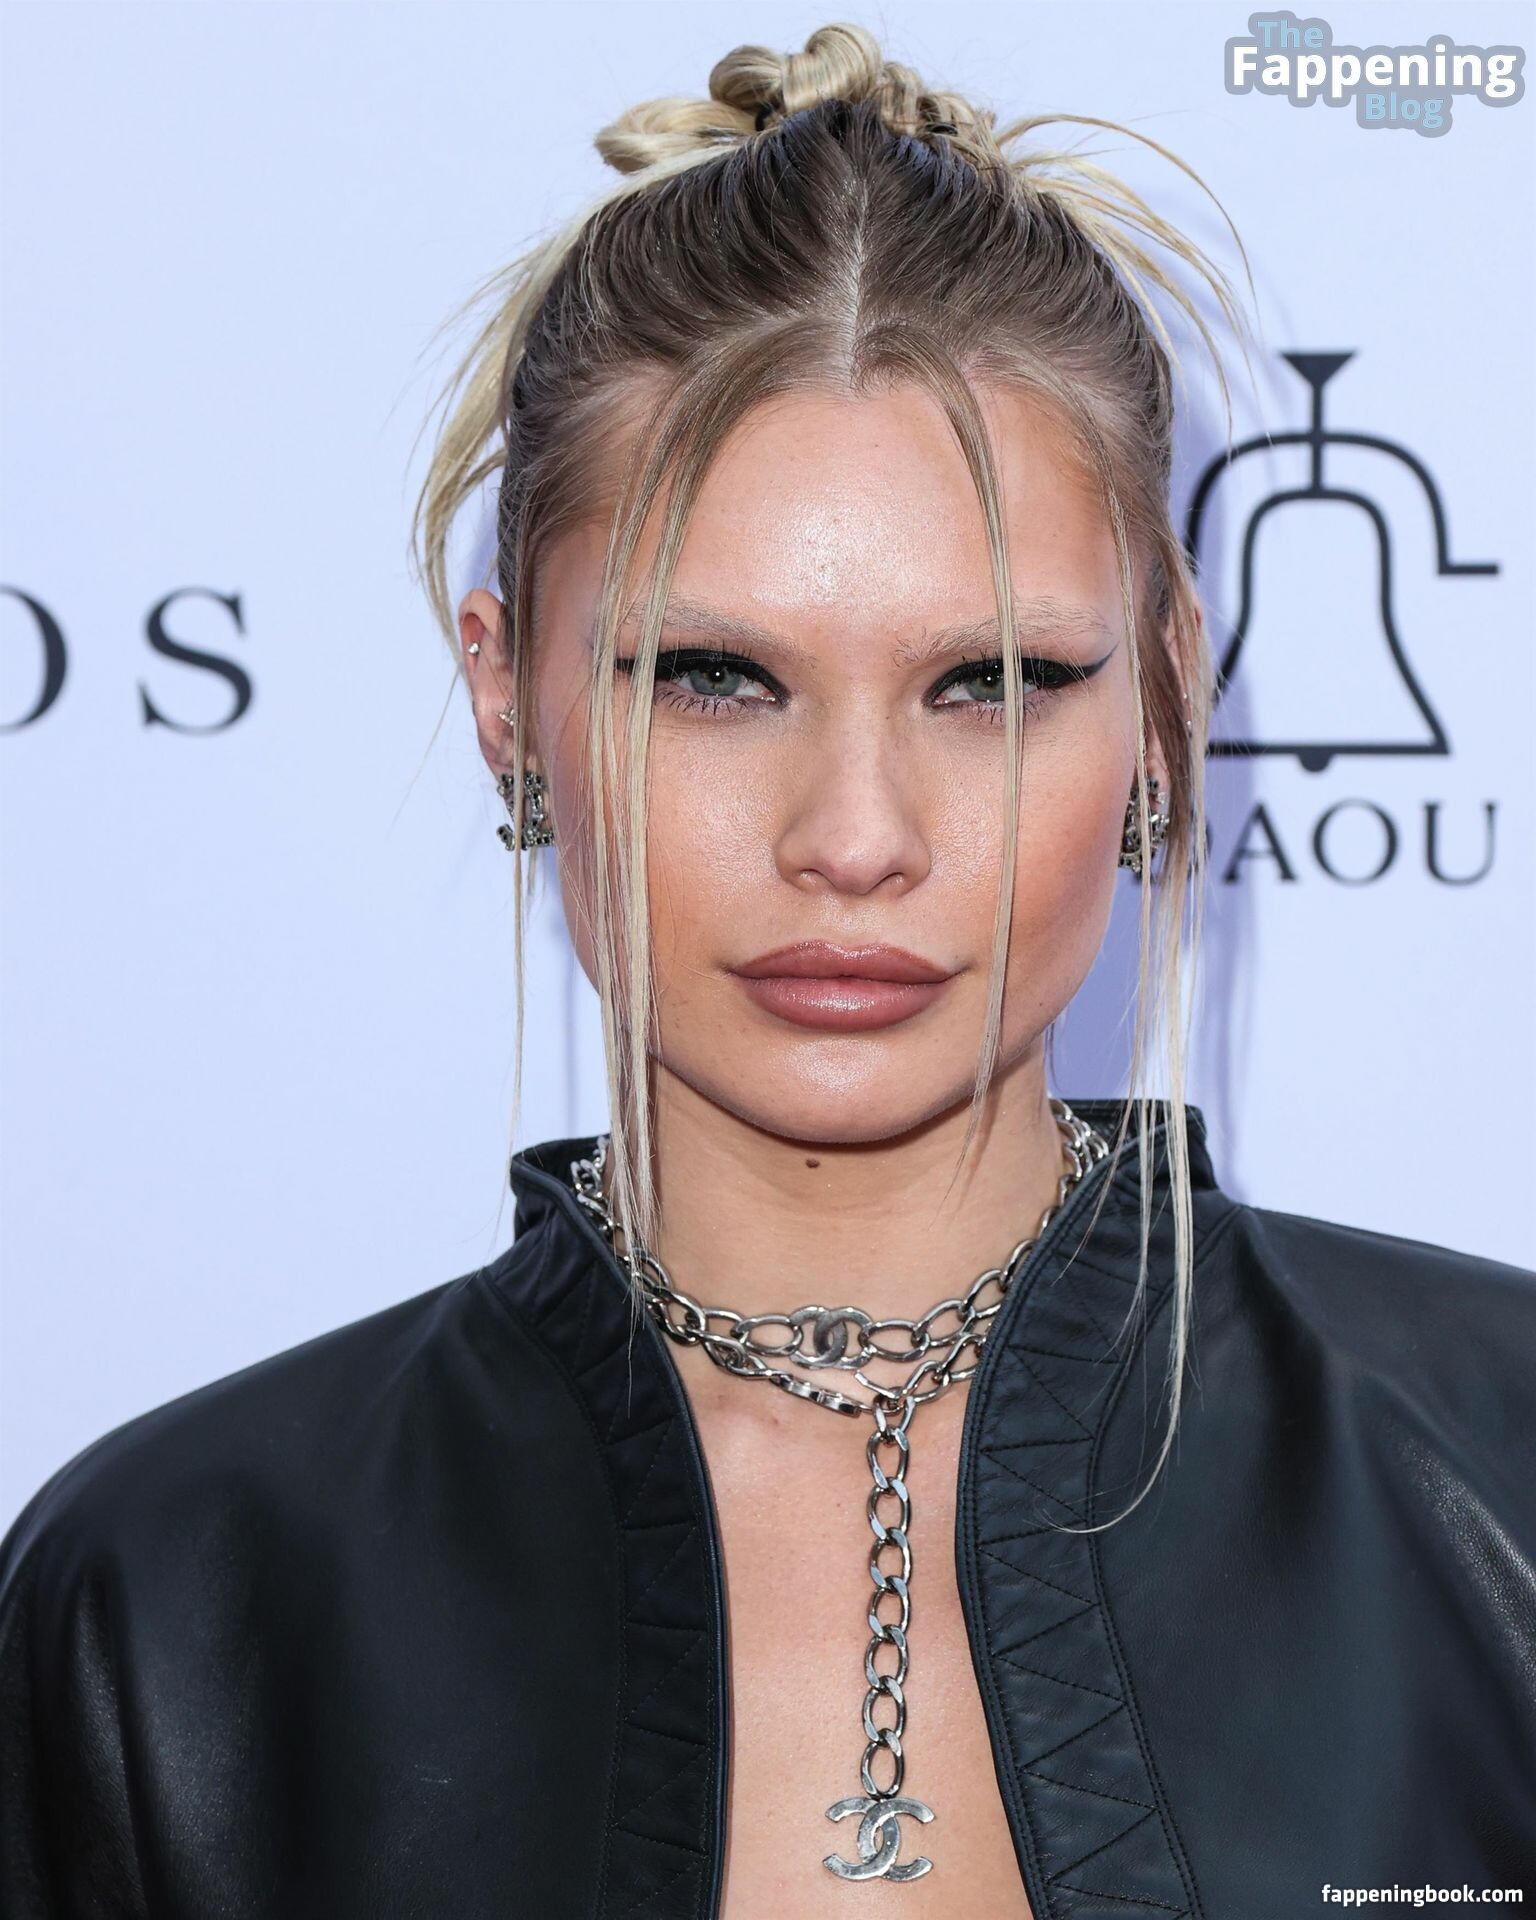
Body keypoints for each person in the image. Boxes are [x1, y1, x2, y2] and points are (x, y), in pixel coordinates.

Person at [3, 21, 1533, 1919]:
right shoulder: (178, 1597)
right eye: (716, 679)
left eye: (994, 682)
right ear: (507, 695)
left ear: (1161, 699)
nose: (856, 835)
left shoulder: (1503, 1475)